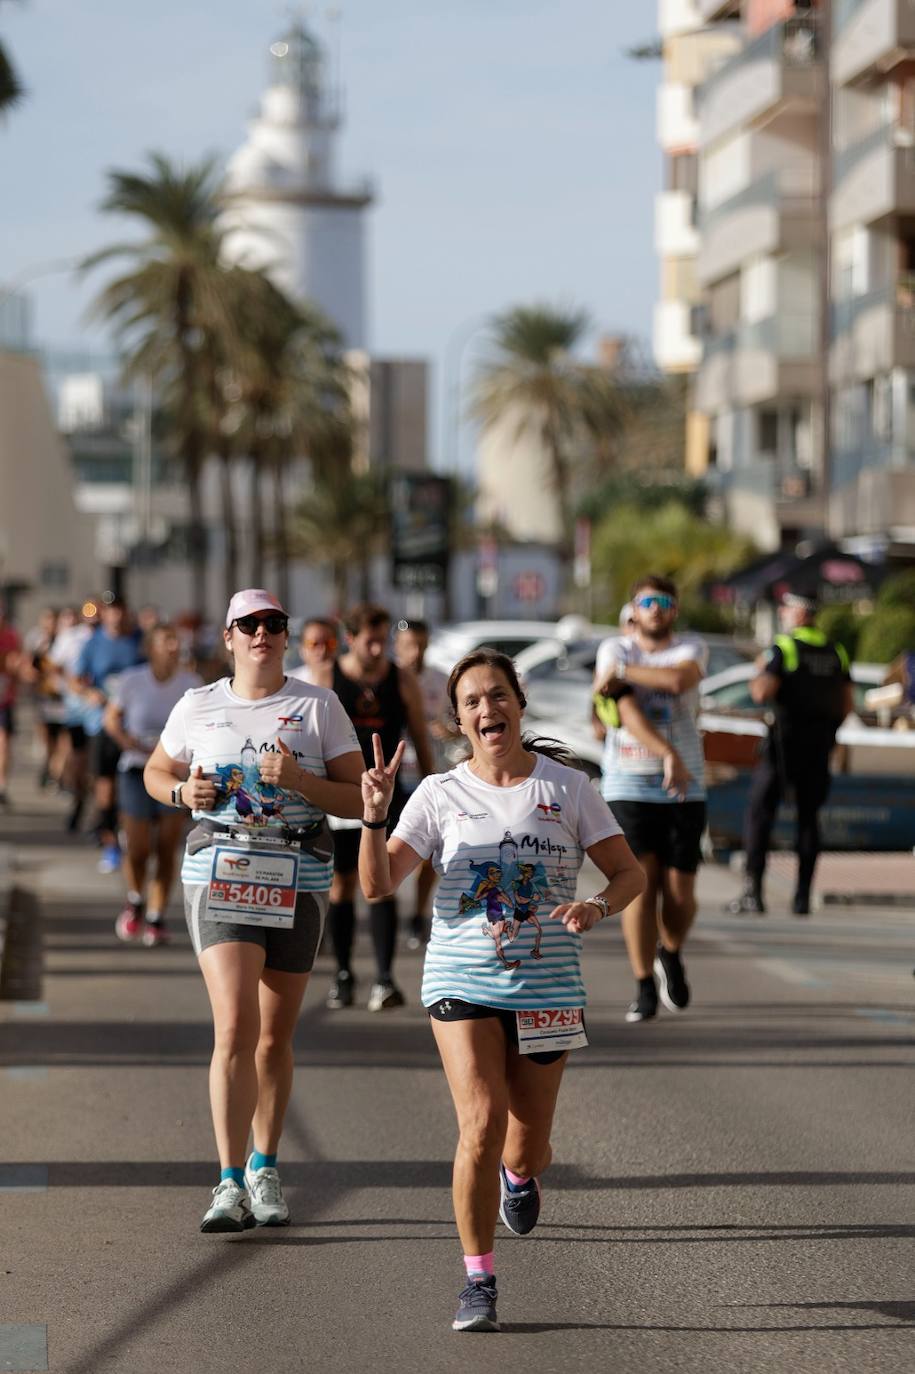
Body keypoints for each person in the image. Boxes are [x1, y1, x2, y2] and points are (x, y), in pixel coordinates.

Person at [358, 648, 644, 1332]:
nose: (487, 709)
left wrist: (595, 908)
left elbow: (629, 875)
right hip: (461, 976)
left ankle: (522, 1177)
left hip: (547, 983)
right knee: (479, 1126)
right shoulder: (437, 794)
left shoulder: (568, 788)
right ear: (458, 720)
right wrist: (371, 817)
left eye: (497, 695)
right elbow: (375, 885)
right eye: (471, 703)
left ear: (518, 701)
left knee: (524, 1146)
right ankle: (477, 1281)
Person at [143, 589, 363, 1232]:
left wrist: (299, 781)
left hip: (299, 873)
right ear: (230, 636)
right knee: (235, 1025)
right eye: (250, 624)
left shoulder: (317, 706)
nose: (262, 633)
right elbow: (158, 771)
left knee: (273, 1036)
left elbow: (354, 800)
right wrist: (184, 790)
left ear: (285, 636)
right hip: (222, 869)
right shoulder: (199, 703)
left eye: (274, 624)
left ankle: (266, 1167)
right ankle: (228, 1181)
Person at [594, 574, 708, 1024]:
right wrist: (666, 752)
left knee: (680, 895)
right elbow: (623, 708)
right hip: (629, 783)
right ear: (633, 609)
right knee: (639, 885)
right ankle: (643, 983)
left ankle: (671, 949)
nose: (655, 609)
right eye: (646, 602)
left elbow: (681, 680)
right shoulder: (615, 649)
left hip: (685, 787)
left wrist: (623, 674)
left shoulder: (690, 648)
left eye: (663, 601)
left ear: (674, 609)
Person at [325, 603, 435, 1012]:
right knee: (342, 885)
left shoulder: (400, 679)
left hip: (386, 796)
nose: (377, 649)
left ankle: (385, 979)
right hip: (342, 794)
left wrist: (433, 788)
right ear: (350, 638)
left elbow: (421, 739)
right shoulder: (330, 677)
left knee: (381, 880)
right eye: (369, 641)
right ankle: (343, 974)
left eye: (382, 640)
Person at [729, 593, 853, 917]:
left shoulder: (784, 648)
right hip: (820, 744)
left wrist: (760, 670)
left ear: (798, 614)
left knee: (760, 813)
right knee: (809, 820)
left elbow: (761, 692)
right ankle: (801, 897)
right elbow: (847, 703)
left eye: (785, 609)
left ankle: (753, 893)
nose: (782, 613)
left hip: (785, 745)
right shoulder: (835, 650)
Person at [104, 623, 201, 946]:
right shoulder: (133, 680)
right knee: (138, 847)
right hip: (135, 769)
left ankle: (157, 916)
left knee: (166, 847)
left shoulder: (192, 684)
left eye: (176, 640)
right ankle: (135, 899)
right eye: (166, 640)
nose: (173, 646)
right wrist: (130, 742)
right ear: (151, 647)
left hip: (175, 774)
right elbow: (110, 719)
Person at [393, 618, 457, 948]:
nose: (415, 652)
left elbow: (459, 720)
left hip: (428, 775)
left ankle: (418, 914)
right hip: (393, 779)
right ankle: (384, 916)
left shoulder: (440, 680)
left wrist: (450, 729)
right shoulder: (386, 680)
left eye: (421, 645)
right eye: (409, 645)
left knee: (432, 850)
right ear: (397, 646)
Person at [72, 594, 145, 872]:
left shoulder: (138, 639)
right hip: (101, 724)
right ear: (104, 614)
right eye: (111, 611)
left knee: (133, 784)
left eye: (120, 610)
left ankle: (132, 837)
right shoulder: (93, 643)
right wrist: (89, 693)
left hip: (133, 724)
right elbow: (76, 679)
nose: (115, 616)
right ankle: (110, 842)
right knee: (105, 788)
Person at [48, 604, 95, 830]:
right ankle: (78, 800)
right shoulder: (70, 637)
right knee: (78, 760)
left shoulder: (106, 637)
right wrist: (70, 686)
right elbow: (55, 666)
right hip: (76, 709)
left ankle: (101, 813)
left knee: (98, 766)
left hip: (101, 713)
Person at [0, 605, 22, 806]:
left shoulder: (11, 636)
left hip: (4, 699)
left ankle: (2, 784)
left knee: (4, 742)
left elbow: (19, 663)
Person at [287, 616, 338, 690]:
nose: (322, 650)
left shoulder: (352, 682)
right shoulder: (288, 685)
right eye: (314, 644)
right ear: (301, 648)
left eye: (329, 644)